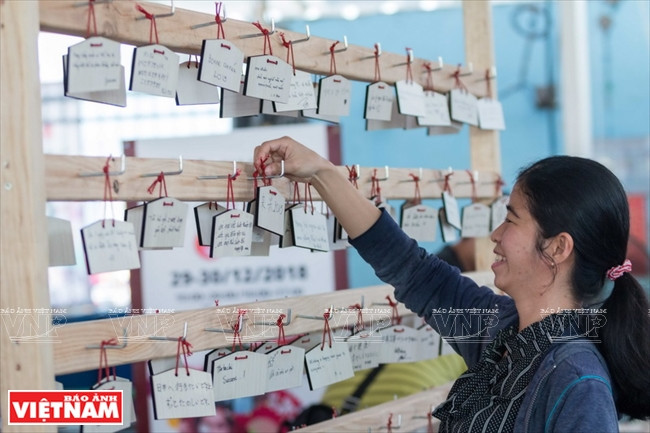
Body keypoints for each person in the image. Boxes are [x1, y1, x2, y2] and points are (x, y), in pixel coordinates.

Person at [253, 136, 650, 432]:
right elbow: (411, 268)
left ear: (558, 247)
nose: (495, 235)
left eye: (511, 220)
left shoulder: (577, 380)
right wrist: (322, 172)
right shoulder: (501, 331)